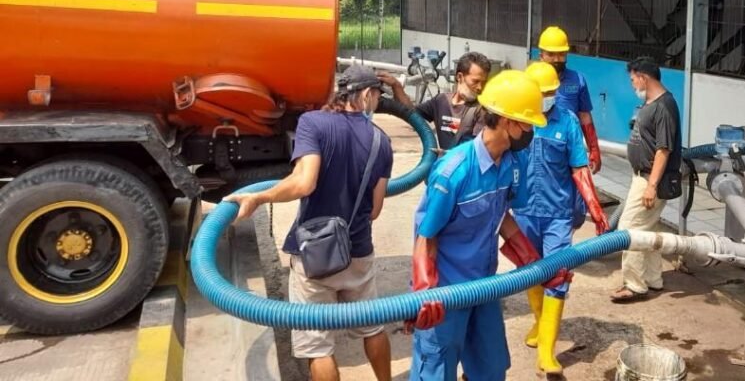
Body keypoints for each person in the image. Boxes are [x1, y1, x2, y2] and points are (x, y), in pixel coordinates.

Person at [227, 65, 393, 381]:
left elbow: (304, 183)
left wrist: (259, 197)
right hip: (358, 250)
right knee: (372, 327)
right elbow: (374, 210)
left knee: (318, 346)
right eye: (376, 96)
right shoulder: (381, 141)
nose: (377, 103)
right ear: (366, 94)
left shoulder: (313, 123)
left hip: (315, 256)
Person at [406, 70, 571, 381]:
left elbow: (501, 216)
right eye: (528, 124)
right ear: (508, 122)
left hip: (485, 286)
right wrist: (423, 290)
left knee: (492, 368)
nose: (532, 132)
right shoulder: (454, 172)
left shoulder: (511, 162)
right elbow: (426, 236)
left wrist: (536, 266)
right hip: (446, 292)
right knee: (436, 372)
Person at [515, 61, 610, 378]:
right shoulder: (517, 120)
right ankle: (540, 323)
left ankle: (546, 351)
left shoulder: (567, 121)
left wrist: (595, 208)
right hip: (523, 212)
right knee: (529, 273)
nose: (548, 98)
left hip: (557, 214)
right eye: (542, 93)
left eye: (551, 92)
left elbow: (579, 169)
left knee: (556, 277)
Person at [611, 56, 682, 304]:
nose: (632, 85)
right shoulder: (651, 103)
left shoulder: (664, 106)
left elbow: (664, 149)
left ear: (643, 77)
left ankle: (634, 285)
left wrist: (651, 186)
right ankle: (653, 279)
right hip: (642, 176)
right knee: (648, 229)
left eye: (633, 80)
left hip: (650, 179)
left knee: (629, 228)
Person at [383, 51, 491, 152]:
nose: (480, 87)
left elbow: (477, 151)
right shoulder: (441, 101)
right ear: (460, 77)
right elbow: (411, 113)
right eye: (475, 81)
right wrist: (396, 87)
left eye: (483, 82)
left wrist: (446, 155)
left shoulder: (482, 111)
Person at [537, 26, 602, 174]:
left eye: (561, 54)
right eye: (551, 54)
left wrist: (594, 149)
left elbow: (584, 116)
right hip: (538, 147)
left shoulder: (577, 80)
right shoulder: (530, 79)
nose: (556, 59)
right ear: (541, 55)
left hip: (568, 149)